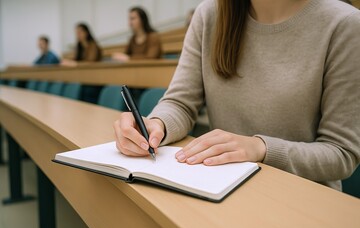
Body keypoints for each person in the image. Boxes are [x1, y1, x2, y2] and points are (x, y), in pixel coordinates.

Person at [114, 0, 360, 191]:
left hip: (304, 202)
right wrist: (156, 125)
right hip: (222, 190)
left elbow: (341, 153)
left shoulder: (345, 24)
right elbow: (180, 103)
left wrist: (261, 148)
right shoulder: (209, 14)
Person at [62, 23, 103, 103]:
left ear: (86, 32)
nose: (78, 35)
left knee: (86, 90)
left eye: (80, 32)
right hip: (82, 78)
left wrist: (75, 64)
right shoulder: (79, 47)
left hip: (94, 78)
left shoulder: (93, 45)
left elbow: (91, 62)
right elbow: (76, 60)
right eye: (76, 33)